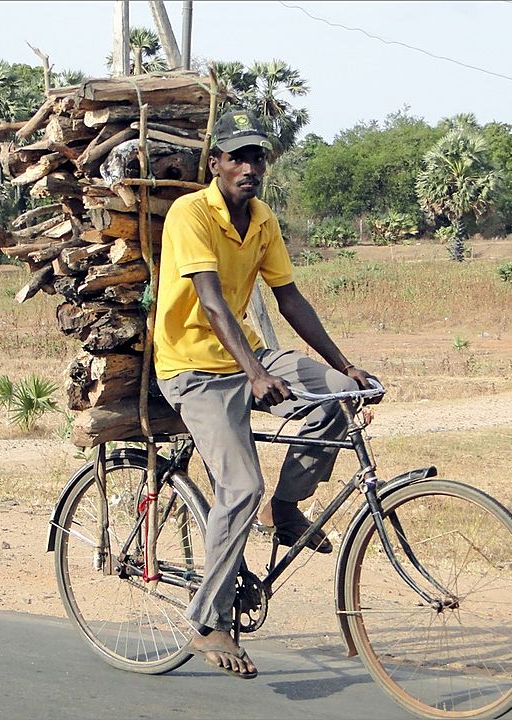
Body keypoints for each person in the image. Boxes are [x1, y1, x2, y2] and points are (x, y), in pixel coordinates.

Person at [153, 108, 383, 680]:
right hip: (193, 369)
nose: (249, 167)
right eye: (238, 157)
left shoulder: (262, 220)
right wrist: (255, 373)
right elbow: (210, 301)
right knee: (241, 486)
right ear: (216, 163)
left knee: (338, 399)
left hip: (249, 356)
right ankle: (208, 620)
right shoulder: (191, 213)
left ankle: (286, 507)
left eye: (257, 157)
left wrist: (345, 366)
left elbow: (290, 298)